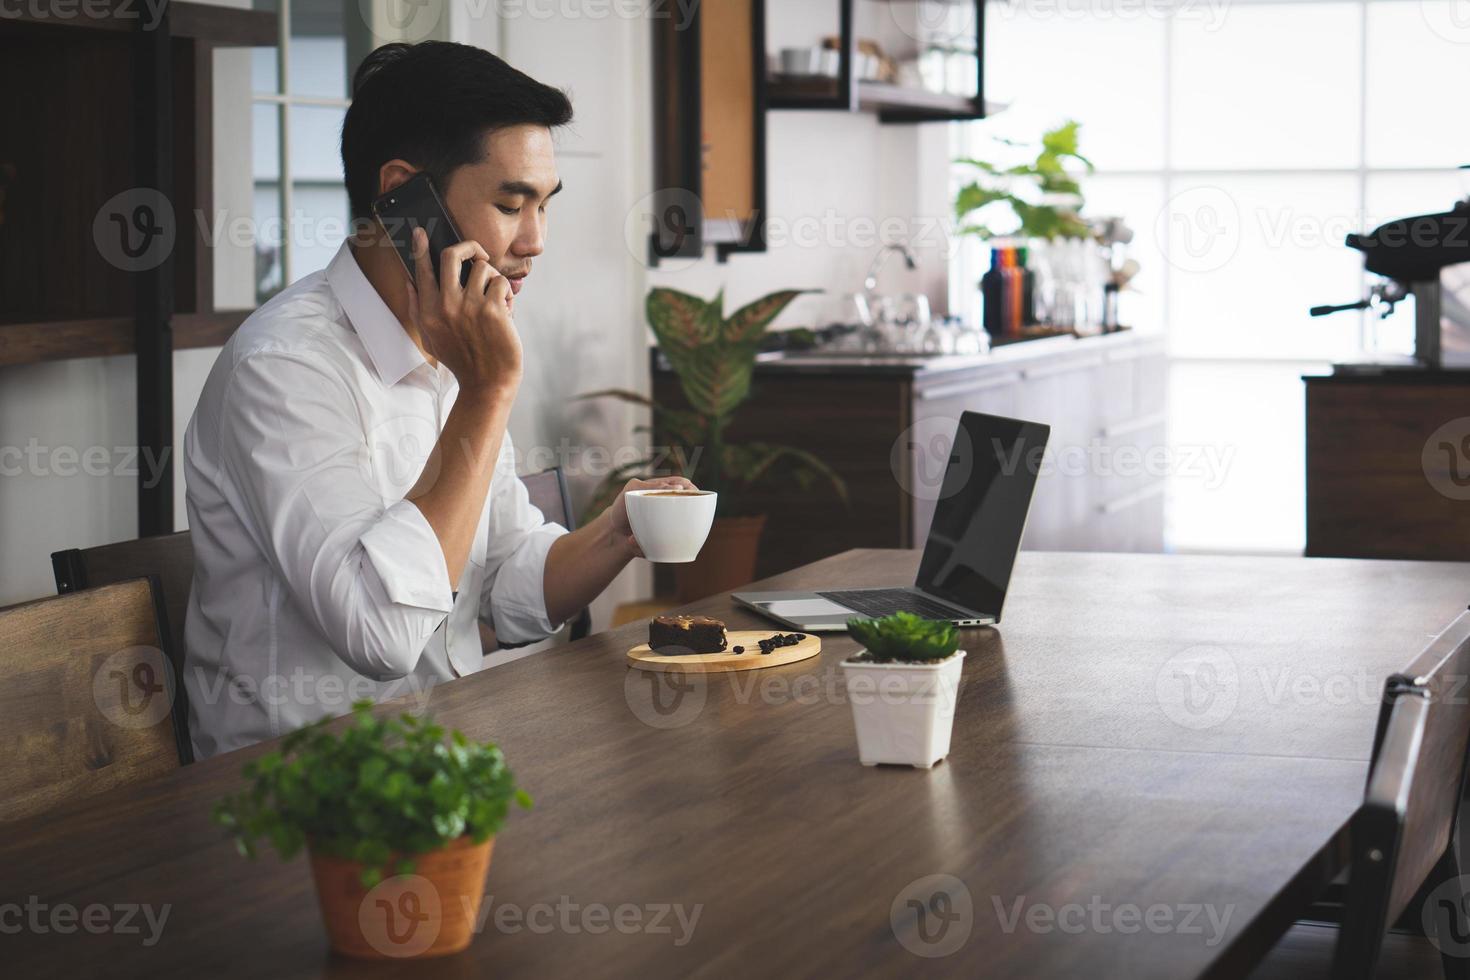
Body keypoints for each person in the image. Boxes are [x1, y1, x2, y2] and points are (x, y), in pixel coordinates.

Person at [181, 41, 692, 758]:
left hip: (442, 761)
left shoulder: (453, 340)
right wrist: (487, 393)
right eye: (511, 204)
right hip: (296, 800)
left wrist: (618, 533)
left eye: (543, 206)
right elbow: (382, 635)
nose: (536, 240)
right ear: (402, 196)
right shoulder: (285, 367)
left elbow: (510, 583)